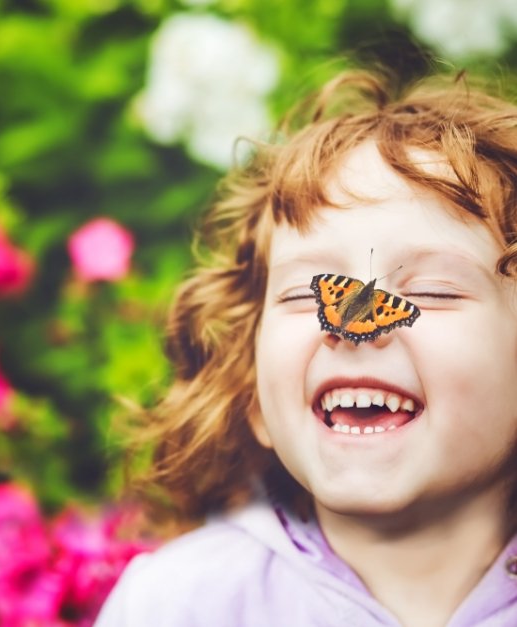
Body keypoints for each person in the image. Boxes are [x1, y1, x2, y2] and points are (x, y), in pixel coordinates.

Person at [95, 66, 517, 626]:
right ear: (249, 389)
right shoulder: (177, 606)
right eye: (306, 294)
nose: (355, 326)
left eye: (433, 291)